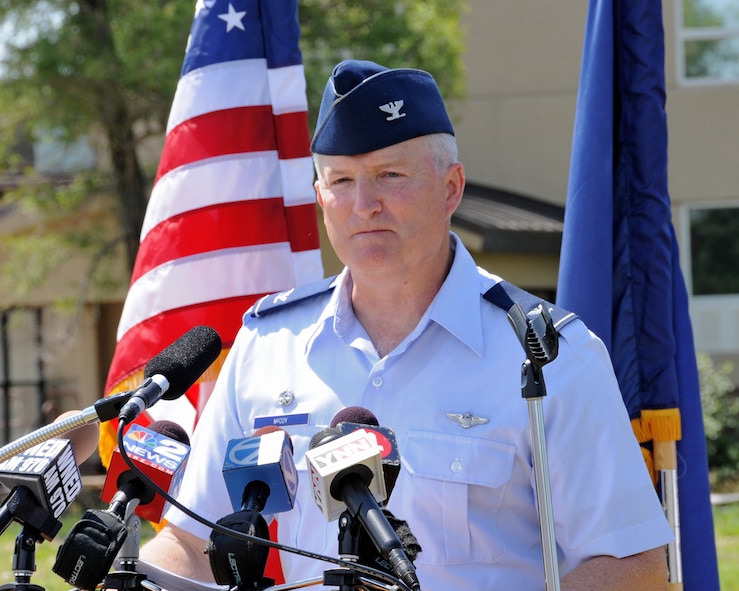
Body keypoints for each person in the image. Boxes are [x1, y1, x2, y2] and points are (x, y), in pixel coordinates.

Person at [139, 59, 673, 590]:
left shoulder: (547, 355)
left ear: (451, 188)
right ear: (321, 198)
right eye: (341, 181)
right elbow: (192, 540)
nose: (363, 205)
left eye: (389, 176)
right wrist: (130, 574)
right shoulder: (268, 344)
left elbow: (632, 569)